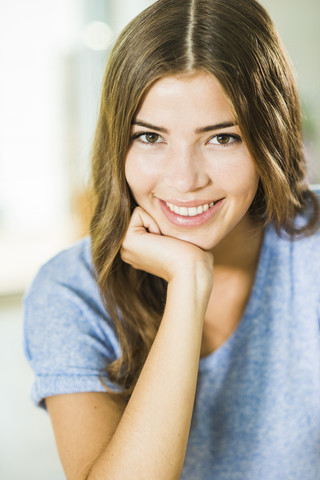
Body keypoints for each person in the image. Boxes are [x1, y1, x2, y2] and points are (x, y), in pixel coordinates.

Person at [23, 0, 320, 478]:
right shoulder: (69, 292)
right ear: (117, 142)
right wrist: (188, 283)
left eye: (222, 138)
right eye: (150, 137)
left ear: (271, 136)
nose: (184, 180)